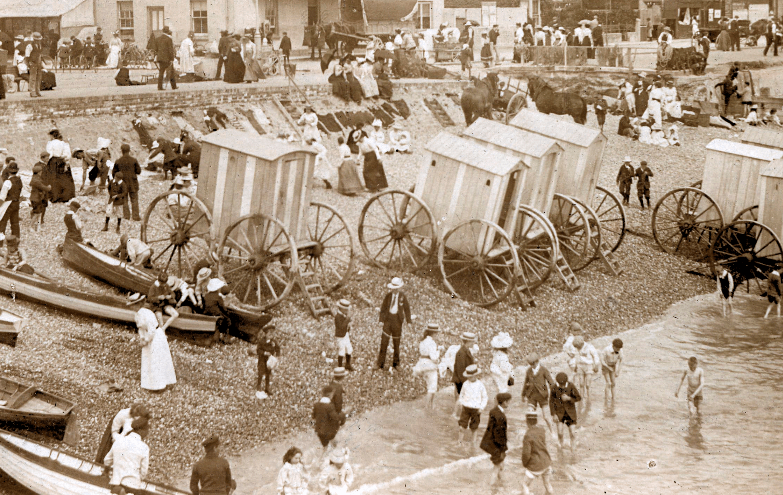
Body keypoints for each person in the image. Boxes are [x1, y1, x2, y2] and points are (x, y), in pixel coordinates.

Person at [134, 302, 178, 392]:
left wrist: (146, 341)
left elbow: (152, 331)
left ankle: (160, 386)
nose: (131, 307)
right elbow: (140, 328)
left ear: (138, 305)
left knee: (156, 359)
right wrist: (142, 338)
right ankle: (149, 384)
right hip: (148, 336)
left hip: (156, 337)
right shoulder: (138, 314)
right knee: (148, 359)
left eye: (133, 305)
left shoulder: (148, 314)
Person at [103, 417, 150, 495]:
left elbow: (107, 461)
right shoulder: (144, 448)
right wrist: (139, 478)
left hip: (117, 483)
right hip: (133, 486)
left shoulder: (119, 441)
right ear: (142, 431)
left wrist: (108, 471)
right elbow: (144, 471)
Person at [377, 276, 412, 371]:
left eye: (396, 289)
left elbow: (407, 309)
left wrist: (409, 322)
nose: (394, 291)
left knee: (396, 343)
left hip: (397, 321)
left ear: (399, 288)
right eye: (393, 289)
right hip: (388, 320)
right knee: (384, 342)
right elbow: (383, 309)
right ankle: (380, 364)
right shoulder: (388, 296)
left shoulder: (402, 297)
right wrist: (381, 320)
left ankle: (396, 364)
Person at [521, 352, 556, 434]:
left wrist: (555, 393)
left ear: (537, 362)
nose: (531, 366)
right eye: (530, 364)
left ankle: (552, 431)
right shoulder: (529, 371)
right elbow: (526, 383)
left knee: (546, 417)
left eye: (532, 364)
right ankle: (531, 432)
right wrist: (523, 395)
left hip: (542, 395)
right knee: (530, 414)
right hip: (531, 395)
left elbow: (551, 382)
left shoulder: (544, 370)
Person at [480, 392, 510, 485]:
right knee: (497, 467)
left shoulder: (493, 411)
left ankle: (502, 483)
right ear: (504, 402)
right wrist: (503, 449)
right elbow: (499, 436)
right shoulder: (501, 416)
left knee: (500, 465)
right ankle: (491, 487)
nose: (509, 404)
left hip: (489, 443)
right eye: (508, 402)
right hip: (496, 446)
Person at [521, 411, 554, 495]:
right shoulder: (541, 430)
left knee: (524, 484)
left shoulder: (527, 435)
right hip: (546, 462)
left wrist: (525, 464)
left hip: (535, 465)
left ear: (527, 422)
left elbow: (526, 454)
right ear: (536, 421)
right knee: (547, 484)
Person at [413, 323, 443, 409]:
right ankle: (427, 407)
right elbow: (434, 357)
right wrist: (439, 350)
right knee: (432, 387)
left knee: (429, 386)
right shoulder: (432, 343)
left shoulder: (423, 341)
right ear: (433, 333)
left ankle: (430, 406)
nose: (438, 335)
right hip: (430, 365)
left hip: (422, 364)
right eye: (437, 333)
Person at [550, 371, 581, 453]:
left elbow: (578, 398)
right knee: (560, 433)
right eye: (560, 385)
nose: (562, 386)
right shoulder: (554, 388)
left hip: (570, 413)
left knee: (573, 433)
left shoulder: (571, 386)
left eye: (563, 385)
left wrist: (569, 398)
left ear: (566, 382)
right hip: (559, 413)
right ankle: (561, 446)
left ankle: (573, 450)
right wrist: (553, 414)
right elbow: (551, 402)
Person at [457, 364, 487, 446]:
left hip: (476, 409)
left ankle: (473, 444)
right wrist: (461, 402)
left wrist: (482, 407)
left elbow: (485, 397)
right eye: (469, 377)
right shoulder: (465, 384)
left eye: (472, 376)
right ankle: (459, 442)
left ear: (476, 375)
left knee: (474, 427)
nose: (470, 378)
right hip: (466, 408)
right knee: (462, 426)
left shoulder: (480, 385)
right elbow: (462, 394)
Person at [312, 386, 345, 454]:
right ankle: (337, 456)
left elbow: (313, 416)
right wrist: (343, 415)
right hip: (328, 432)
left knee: (325, 447)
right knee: (335, 444)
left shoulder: (316, 405)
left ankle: (322, 459)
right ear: (330, 394)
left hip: (319, 431)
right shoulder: (330, 406)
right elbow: (335, 418)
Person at [113, 144, 142, 220]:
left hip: (123, 184)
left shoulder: (118, 161)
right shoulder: (134, 160)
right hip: (133, 183)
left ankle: (126, 216)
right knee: (134, 200)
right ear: (129, 150)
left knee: (124, 200)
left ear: (121, 151)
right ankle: (135, 217)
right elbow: (138, 171)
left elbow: (114, 174)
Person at [452, 331, 477, 418]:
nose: (474, 343)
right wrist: (466, 382)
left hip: (462, 378)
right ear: (468, 342)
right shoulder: (461, 352)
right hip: (460, 379)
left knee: (461, 397)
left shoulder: (465, 350)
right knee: (461, 397)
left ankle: (458, 414)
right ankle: (455, 414)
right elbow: (460, 369)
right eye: (473, 341)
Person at [256, 324, 281, 400]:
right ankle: (259, 386)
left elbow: (278, 349)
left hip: (270, 361)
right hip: (262, 360)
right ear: (266, 334)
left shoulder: (273, 342)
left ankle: (267, 388)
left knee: (268, 374)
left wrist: (277, 355)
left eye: (272, 333)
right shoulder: (261, 341)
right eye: (269, 333)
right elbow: (258, 350)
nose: (271, 335)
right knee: (260, 373)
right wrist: (264, 353)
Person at [0, 162, 23, 238]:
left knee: (3, 221)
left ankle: (1, 240)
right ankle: (16, 239)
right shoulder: (19, 180)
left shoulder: (7, 182)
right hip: (16, 203)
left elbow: (2, 197)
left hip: (8, 204)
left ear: (8, 171)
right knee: (15, 222)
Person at [333, 299, 355, 371]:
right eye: (346, 310)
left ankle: (347, 364)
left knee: (349, 349)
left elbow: (345, 326)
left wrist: (349, 326)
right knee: (341, 350)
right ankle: (339, 366)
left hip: (345, 334)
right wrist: (347, 319)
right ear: (342, 309)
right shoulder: (337, 317)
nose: (347, 311)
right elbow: (341, 327)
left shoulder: (343, 315)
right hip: (340, 336)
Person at [600, 338, 624, 403]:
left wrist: (618, 371)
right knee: (608, 383)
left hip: (613, 366)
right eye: (617, 349)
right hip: (605, 366)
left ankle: (614, 399)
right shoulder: (606, 350)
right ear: (613, 346)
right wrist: (608, 367)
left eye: (619, 349)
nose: (619, 350)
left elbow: (621, 361)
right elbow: (602, 361)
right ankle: (606, 399)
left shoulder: (620, 350)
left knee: (613, 383)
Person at [29, 163, 51, 232]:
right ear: (39, 172)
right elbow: (45, 188)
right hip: (36, 199)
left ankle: (38, 227)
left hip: (37, 198)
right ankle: (30, 226)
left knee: (39, 213)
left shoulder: (35, 178)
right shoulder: (36, 180)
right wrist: (49, 187)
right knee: (37, 213)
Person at [25, 32, 43, 98]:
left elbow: (40, 54)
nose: (38, 41)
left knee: (39, 77)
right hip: (32, 62)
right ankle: (32, 91)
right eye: (36, 40)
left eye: (38, 40)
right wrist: (28, 63)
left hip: (38, 62)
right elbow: (27, 55)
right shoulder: (29, 46)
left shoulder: (40, 45)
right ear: (34, 39)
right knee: (33, 77)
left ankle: (37, 90)